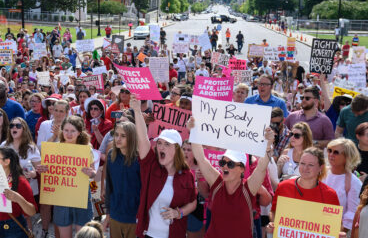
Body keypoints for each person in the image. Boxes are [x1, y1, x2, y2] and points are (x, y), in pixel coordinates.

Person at [186, 116, 273, 238]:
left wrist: (268, 145)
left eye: (231, 164)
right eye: (223, 162)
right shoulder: (217, 182)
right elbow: (200, 158)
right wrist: (193, 131)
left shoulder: (249, 187)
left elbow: (262, 167)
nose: (225, 167)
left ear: (242, 169)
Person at [132, 96, 197, 238]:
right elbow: (143, 138)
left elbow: (193, 203)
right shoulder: (151, 166)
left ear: (177, 150)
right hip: (147, 233)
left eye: (167, 144)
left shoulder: (186, 175)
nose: (161, 147)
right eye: (159, 143)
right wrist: (137, 111)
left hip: (174, 234)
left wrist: (178, 213)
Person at [267, 147, 346, 238]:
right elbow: (273, 212)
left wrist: (339, 233)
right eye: (302, 163)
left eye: (311, 165)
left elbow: (336, 225)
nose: (305, 168)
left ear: (321, 167)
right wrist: (274, 224)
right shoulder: (283, 187)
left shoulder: (330, 194)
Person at [48, 116, 95, 238]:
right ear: (61, 131)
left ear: (79, 132)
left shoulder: (86, 149)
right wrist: (44, 170)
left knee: (83, 234)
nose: (69, 134)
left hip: (81, 195)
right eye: (66, 130)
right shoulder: (55, 148)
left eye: (72, 131)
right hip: (62, 197)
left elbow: (93, 172)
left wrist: (91, 173)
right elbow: (50, 172)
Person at [104, 121, 141, 238]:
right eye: (116, 134)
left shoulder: (140, 159)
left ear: (132, 138)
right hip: (115, 214)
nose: (118, 139)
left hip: (134, 216)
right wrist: (108, 213)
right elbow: (109, 186)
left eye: (123, 136)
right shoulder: (111, 155)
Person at [323, 138, 362, 234]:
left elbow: (352, 212)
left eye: (336, 152)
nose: (331, 155)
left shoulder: (354, 182)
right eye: (329, 150)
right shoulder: (320, 172)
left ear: (347, 157)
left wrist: (339, 231)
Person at [0, 146, 37, 238]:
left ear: (6, 162)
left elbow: (32, 212)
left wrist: (19, 199)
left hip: (12, 228)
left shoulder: (21, 182)